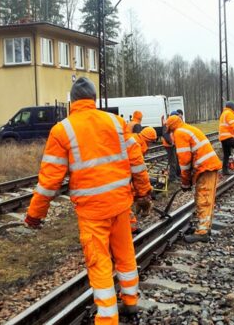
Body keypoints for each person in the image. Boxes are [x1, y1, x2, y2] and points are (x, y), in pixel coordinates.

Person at [23, 78, 153, 324]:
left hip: (93, 212)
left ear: (72, 101)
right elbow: (137, 162)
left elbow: (49, 180)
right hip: (120, 204)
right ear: (93, 99)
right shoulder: (117, 122)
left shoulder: (63, 130)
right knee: (125, 254)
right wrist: (144, 192)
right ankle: (130, 301)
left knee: (100, 262)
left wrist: (35, 214)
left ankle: (107, 318)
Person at [166, 115, 222, 243]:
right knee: (205, 197)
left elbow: (184, 161)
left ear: (171, 128)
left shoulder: (179, 133)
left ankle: (202, 232)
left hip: (205, 167)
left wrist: (185, 182)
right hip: (206, 167)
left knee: (204, 198)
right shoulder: (187, 128)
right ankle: (205, 228)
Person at [129, 126, 158, 232]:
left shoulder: (134, 139)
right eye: (150, 143)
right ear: (148, 140)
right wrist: (145, 192)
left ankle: (131, 226)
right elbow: (139, 174)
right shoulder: (136, 145)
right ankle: (130, 228)